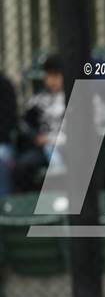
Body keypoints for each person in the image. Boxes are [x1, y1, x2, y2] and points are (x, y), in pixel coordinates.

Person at [14, 54, 66, 192]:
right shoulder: (39, 100)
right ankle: (28, 205)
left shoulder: (80, 97)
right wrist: (35, 136)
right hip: (44, 149)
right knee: (23, 165)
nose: (52, 80)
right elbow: (24, 124)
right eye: (48, 75)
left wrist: (52, 139)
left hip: (70, 147)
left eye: (56, 75)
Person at [0, 71, 18, 197]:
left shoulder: (4, 85)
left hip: (2, 143)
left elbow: (9, 122)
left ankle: (4, 204)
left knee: (2, 157)